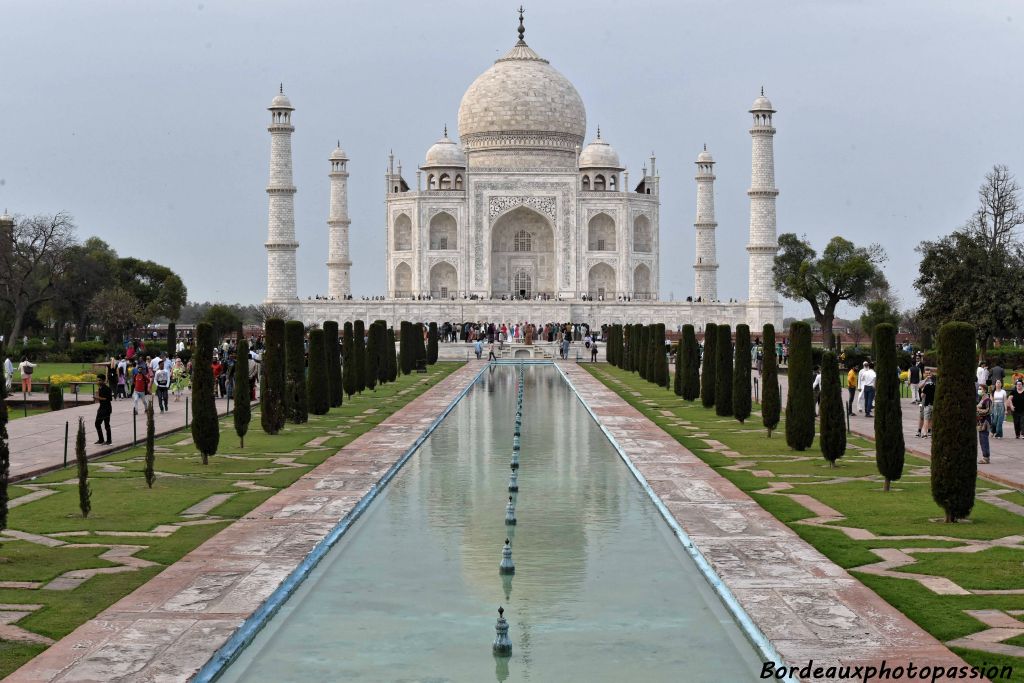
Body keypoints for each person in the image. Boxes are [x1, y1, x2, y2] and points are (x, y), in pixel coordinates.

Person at [94, 374, 113, 445]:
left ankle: (109, 440)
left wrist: (98, 398)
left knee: (106, 425)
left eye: (100, 380)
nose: (98, 381)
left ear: (103, 381)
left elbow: (109, 399)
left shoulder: (107, 389)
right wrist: (97, 396)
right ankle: (101, 439)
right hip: (101, 408)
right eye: (97, 380)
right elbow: (100, 399)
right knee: (97, 424)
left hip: (107, 408)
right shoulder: (100, 388)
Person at [977, 384, 993, 464]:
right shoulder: (982, 399)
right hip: (980, 422)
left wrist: (978, 410)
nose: (979, 390)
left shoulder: (987, 400)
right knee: (981, 440)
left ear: (985, 390)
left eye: (981, 389)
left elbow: (988, 411)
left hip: (985, 422)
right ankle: (985, 456)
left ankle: (986, 457)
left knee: (984, 439)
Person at [918, 369, 935, 438]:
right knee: (922, 415)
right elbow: (919, 387)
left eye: (929, 373)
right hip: (923, 401)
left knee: (930, 416)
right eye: (927, 373)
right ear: (924, 374)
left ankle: (929, 430)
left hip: (930, 400)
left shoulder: (933, 382)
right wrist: (925, 380)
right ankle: (919, 431)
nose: (928, 375)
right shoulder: (923, 381)